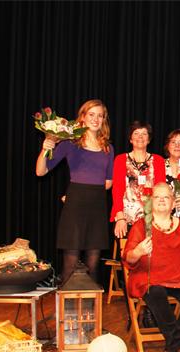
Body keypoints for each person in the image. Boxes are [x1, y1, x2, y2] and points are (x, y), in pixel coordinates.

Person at [123, 183, 180, 352]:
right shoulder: (141, 226)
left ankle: (172, 347)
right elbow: (128, 257)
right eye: (157, 197)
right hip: (149, 278)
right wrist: (138, 251)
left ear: (173, 203)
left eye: (166, 197)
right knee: (156, 293)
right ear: (151, 202)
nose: (161, 200)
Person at [36, 99, 114, 284]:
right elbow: (40, 171)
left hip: (97, 206)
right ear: (83, 117)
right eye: (91, 114)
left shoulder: (108, 148)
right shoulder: (70, 143)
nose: (95, 119)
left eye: (100, 116)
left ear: (104, 120)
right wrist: (45, 149)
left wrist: (89, 192)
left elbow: (108, 182)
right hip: (75, 205)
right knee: (70, 265)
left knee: (93, 265)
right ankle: (66, 302)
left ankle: (91, 303)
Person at [111, 121, 166, 239]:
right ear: (130, 139)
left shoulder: (158, 160)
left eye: (144, 134)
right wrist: (120, 218)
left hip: (152, 219)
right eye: (136, 133)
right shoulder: (120, 159)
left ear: (149, 139)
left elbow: (161, 191)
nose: (140, 137)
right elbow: (117, 190)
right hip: (126, 218)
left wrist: (159, 218)